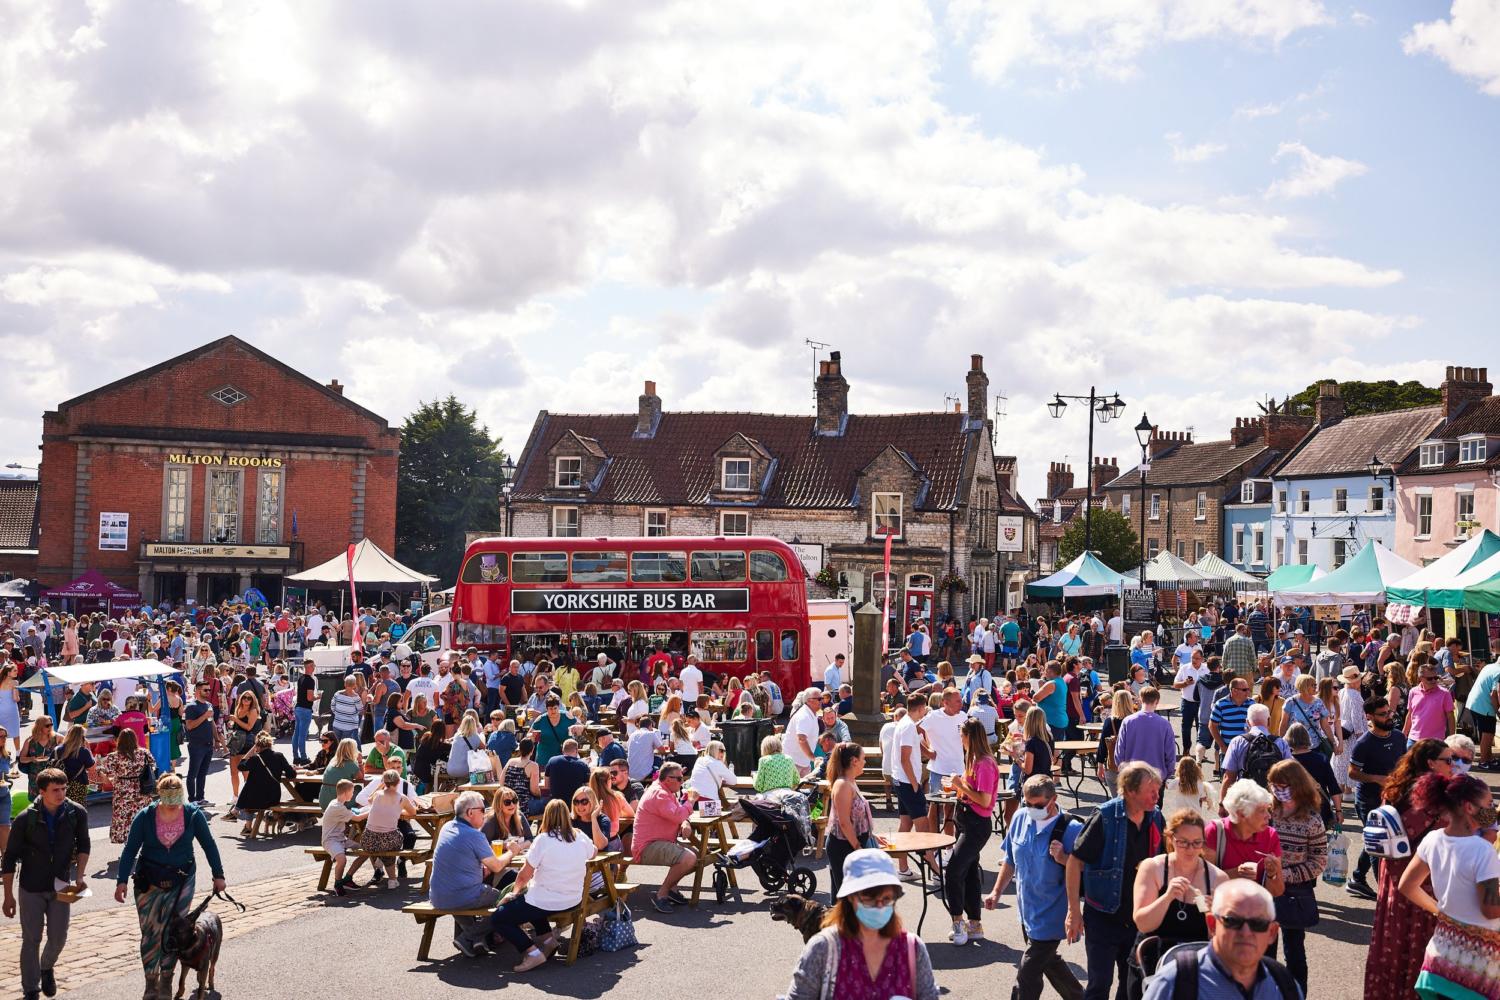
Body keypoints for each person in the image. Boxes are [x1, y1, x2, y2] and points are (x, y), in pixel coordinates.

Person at [113, 774, 225, 1000]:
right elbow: (130, 850)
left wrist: (218, 875)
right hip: (149, 879)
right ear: (160, 796)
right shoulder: (145, 816)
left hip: (182, 879)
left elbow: (209, 844)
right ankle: (150, 983)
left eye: (177, 803)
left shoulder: (193, 815)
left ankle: (166, 980)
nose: (174, 808)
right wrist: (122, 880)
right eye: (169, 803)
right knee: (150, 933)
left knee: (173, 932)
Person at [779, 848, 938, 1000]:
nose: (880, 905)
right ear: (850, 898)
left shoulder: (912, 948)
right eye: (870, 898)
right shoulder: (822, 949)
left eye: (887, 898)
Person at [1066, 761, 1166, 1000]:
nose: (1157, 795)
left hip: (1138, 919)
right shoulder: (1106, 817)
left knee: (1131, 987)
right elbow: (1074, 862)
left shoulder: (1156, 817)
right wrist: (1073, 911)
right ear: (1131, 791)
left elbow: (1165, 861)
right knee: (1099, 984)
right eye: (1151, 790)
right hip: (1103, 916)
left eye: (1158, 789)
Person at [1365, 738, 1455, 998]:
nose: (1453, 765)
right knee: (1419, 945)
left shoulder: (1394, 788)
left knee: (1391, 940)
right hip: (1423, 881)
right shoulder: (1438, 798)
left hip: (1392, 874)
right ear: (1431, 763)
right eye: (1448, 760)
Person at [1397, 772, 1500, 1000]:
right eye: (1488, 804)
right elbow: (1490, 909)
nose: (1492, 810)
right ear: (1469, 807)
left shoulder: (1433, 839)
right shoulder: (1483, 851)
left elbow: (1407, 885)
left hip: (1441, 958)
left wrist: (1440, 910)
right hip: (1477, 968)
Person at [985, 774, 1084, 1000]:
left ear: (1053, 799)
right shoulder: (1020, 818)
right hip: (1027, 910)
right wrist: (997, 891)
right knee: (1048, 961)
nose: (1031, 808)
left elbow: (1088, 870)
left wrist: (1065, 858)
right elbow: (1010, 859)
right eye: (1026, 803)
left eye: (1037, 805)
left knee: (1027, 973)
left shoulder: (1072, 828)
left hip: (1053, 912)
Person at [2, 768, 90, 1000]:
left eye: (63, 789)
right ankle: (31, 988)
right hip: (31, 887)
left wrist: (80, 876)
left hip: (63, 884)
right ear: (42, 792)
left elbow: (84, 845)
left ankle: (46, 966)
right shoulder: (25, 819)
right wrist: (8, 896)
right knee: (31, 938)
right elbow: (9, 858)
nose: (61, 794)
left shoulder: (76, 812)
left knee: (59, 936)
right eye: (55, 790)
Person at [483, 799, 597, 972]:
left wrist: (513, 893)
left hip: (547, 900)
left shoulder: (543, 840)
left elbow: (524, 875)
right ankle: (549, 942)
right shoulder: (579, 836)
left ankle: (532, 952)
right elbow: (594, 851)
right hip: (573, 899)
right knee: (531, 898)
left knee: (499, 917)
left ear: (547, 817)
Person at [1141, 880, 1301, 1000]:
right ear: (1212, 925)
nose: (1245, 932)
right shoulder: (1174, 983)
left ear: (1272, 932)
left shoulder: (1284, 984)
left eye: (1257, 924)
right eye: (1232, 921)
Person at [1130, 808, 1227, 994]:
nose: (1190, 849)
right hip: (1152, 963)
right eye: (1183, 843)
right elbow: (1142, 924)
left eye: (1196, 843)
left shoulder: (1217, 878)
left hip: (1195, 969)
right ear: (1171, 839)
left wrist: (1212, 915)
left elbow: (1221, 941)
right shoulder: (1153, 868)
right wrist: (1167, 897)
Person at [1265, 760, 1326, 995]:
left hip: (1294, 893)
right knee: (1264, 953)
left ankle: (1297, 994)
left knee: (1295, 953)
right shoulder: (1267, 812)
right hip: (1265, 890)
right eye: (1274, 785)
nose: (1278, 790)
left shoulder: (1312, 819)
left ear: (1297, 785)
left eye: (1283, 785)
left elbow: (1318, 861)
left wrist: (1284, 874)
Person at [438, 790, 515, 953]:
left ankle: (476, 939)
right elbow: (496, 866)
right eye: (483, 810)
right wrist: (512, 852)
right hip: (463, 895)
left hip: (438, 896)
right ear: (470, 812)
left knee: (462, 895)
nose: (486, 813)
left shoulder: (447, 827)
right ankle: (468, 937)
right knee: (512, 901)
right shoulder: (474, 835)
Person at [1345, 696, 1405, 899]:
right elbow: (1352, 773)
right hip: (1368, 800)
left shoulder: (1398, 737)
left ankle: (1357, 878)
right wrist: (1374, 778)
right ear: (1369, 716)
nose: (1389, 716)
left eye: (1389, 712)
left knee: (1375, 841)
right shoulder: (1364, 744)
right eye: (1383, 714)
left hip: (1393, 797)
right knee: (1378, 844)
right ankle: (1384, 892)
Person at [946, 718, 998, 945]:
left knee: (954, 871)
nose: (960, 740)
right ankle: (974, 922)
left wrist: (960, 785)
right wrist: (959, 789)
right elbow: (973, 793)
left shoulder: (984, 763)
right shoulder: (974, 760)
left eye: (962, 736)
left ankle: (959, 921)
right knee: (967, 872)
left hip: (976, 824)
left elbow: (985, 801)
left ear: (969, 737)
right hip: (967, 820)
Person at [630, 759, 698, 913]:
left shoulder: (664, 790)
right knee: (689, 858)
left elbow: (677, 813)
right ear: (668, 779)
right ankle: (662, 894)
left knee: (698, 856)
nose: (682, 782)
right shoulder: (659, 794)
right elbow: (677, 814)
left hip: (658, 843)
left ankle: (672, 889)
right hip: (647, 847)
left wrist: (685, 821)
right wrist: (691, 801)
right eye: (680, 779)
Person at [1205, 781, 1285, 898]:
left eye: (1268, 810)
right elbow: (1203, 881)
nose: (1269, 816)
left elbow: (1277, 892)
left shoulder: (1270, 835)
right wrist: (1236, 873)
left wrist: (1272, 874)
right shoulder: (1214, 831)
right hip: (1220, 910)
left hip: (1254, 912)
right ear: (1241, 814)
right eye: (1262, 810)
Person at [825, 743, 875, 899]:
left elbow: (857, 816)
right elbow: (844, 822)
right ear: (854, 761)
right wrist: (857, 847)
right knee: (848, 899)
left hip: (851, 844)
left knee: (855, 898)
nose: (865, 762)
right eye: (863, 759)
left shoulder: (851, 781)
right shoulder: (843, 785)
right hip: (843, 847)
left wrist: (872, 834)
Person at [1218, 704, 1290, 811]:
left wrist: (1222, 805)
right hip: (1273, 802)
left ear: (1247, 722)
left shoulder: (1237, 742)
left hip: (1246, 801)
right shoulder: (1280, 743)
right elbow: (1290, 775)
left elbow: (1229, 778)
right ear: (1269, 721)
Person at [356, 769, 418, 889]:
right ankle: (392, 880)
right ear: (398, 781)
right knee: (393, 837)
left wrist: (380, 786)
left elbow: (369, 800)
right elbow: (413, 812)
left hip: (368, 840)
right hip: (388, 840)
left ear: (384, 782)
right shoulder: (402, 798)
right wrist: (398, 810)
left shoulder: (377, 794)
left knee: (386, 837)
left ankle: (382, 865)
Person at [890, 693, 929, 878]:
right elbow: (905, 759)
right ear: (920, 708)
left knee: (905, 825)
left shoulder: (906, 724)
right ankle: (935, 871)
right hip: (907, 782)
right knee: (924, 827)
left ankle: (903, 869)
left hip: (902, 780)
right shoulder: (907, 727)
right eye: (925, 708)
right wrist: (915, 784)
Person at [95, 728, 154, 845]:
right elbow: (153, 765)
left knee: (124, 818)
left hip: (122, 792)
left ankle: (128, 843)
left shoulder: (114, 756)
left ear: (119, 741)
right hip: (141, 789)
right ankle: (143, 840)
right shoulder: (144, 753)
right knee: (141, 816)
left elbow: (103, 770)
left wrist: (106, 778)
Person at [234, 731, 295, 837]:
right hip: (273, 798)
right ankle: (241, 819)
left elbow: (240, 766)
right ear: (270, 744)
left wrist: (250, 752)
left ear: (257, 746)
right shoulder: (279, 756)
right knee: (251, 788)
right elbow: (292, 774)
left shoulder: (254, 759)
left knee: (249, 786)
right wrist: (281, 771)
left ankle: (245, 824)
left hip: (255, 799)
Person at [1114, 687, 1177, 783]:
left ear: (1140, 699)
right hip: (1156, 776)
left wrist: (1123, 771)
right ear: (1157, 701)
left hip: (1132, 775)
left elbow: (1119, 751)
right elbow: (1170, 753)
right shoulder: (1164, 724)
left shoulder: (1128, 721)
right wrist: (1166, 773)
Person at [321, 778, 363, 897]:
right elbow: (358, 818)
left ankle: (348, 878)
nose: (353, 794)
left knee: (366, 850)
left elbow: (349, 814)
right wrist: (373, 810)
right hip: (330, 840)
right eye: (352, 791)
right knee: (342, 859)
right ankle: (338, 884)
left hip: (341, 839)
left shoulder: (337, 803)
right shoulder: (337, 807)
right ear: (346, 792)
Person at [1462, 655, 1500, 769]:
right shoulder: (1498, 672)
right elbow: (1494, 694)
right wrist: (1497, 710)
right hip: (1484, 706)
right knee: (1488, 734)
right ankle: (1484, 761)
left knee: (1486, 733)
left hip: (1474, 703)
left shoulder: (1490, 666)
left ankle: (1489, 758)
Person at [1405, 662, 1456, 743]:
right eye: (1429, 678)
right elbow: (1410, 714)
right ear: (1420, 678)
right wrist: (1404, 733)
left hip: (1435, 741)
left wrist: (1452, 738)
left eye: (1436, 678)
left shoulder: (1445, 693)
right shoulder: (1413, 691)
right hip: (1413, 739)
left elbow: (1451, 716)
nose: (1433, 680)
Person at [182, 681, 215, 806]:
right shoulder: (191, 706)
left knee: (203, 773)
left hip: (208, 744)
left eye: (209, 690)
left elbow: (211, 723)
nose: (208, 692)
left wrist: (216, 739)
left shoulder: (209, 704)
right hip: (196, 745)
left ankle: (201, 798)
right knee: (193, 773)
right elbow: (189, 726)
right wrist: (205, 715)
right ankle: (192, 799)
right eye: (205, 690)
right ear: (197, 691)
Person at [542, 738, 591, 807]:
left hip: (555, 804)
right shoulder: (582, 765)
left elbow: (546, 785)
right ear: (576, 750)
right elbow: (588, 788)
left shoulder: (552, 761)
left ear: (563, 750)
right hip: (575, 805)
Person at [786, 688, 823, 776]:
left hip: (803, 762)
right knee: (793, 789)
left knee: (804, 788)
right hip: (793, 762)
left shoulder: (811, 713)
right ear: (809, 701)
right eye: (819, 699)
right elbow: (802, 739)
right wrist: (813, 758)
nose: (822, 701)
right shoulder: (804, 716)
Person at [688, 740, 736, 808]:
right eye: (721, 750)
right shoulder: (717, 763)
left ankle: (726, 806)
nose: (723, 753)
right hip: (707, 803)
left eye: (724, 751)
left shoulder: (699, 760)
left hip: (690, 800)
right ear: (714, 750)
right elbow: (733, 781)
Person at [319, 737, 362, 810]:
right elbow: (361, 777)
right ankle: (357, 818)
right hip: (340, 803)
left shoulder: (332, 761)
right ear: (353, 750)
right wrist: (360, 762)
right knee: (359, 789)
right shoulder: (351, 764)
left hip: (324, 802)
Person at [54, 726, 94, 805]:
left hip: (59, 785)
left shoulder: (57, 749)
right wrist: (88, 749)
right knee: (77, 811)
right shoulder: (83, 752)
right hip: (78, 786)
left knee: (61, 809)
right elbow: (92, 769)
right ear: (81, 738)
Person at [292, 658, 319, 765]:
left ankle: (296, 756)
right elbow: (309, 698)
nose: (314, 667)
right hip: (305, 709)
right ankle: (303, 757)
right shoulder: (310, 680)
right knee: (302, 735)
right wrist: (318, 697)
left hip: (298, 708)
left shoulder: (301, 678)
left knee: (297, 733)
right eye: (313, 666)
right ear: (308, 667)